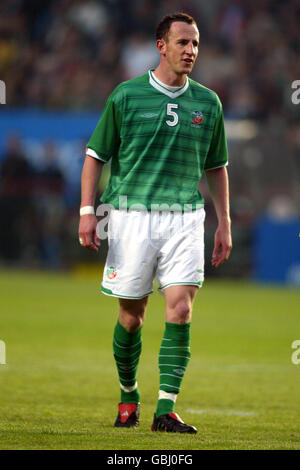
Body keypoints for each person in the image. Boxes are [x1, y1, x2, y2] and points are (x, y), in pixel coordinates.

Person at [79, 12, 232, 434]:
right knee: (132, 316)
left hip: (185, 216)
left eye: (196, 44)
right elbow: (95, 157)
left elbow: (217, 166)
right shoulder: (126, 96)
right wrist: (87, 211)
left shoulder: (209, 103)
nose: (191, 51)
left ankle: (167, 409)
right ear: (161, 46)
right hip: (129, 216)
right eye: (183, 42)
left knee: (180, 308)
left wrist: (224, 222)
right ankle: (129, 396)